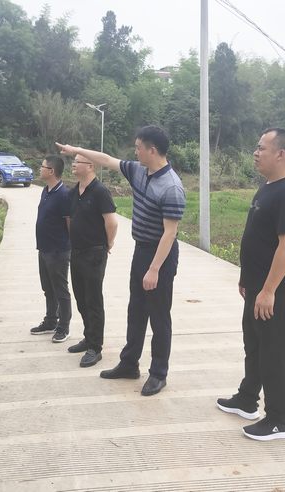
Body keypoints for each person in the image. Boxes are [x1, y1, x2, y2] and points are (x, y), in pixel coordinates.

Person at [57, 125, 185, 396]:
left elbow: (170, 233)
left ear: (152, 150)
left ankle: (158, 373)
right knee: (136, 310)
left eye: (138, 147)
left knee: (159, 316)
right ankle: (129, 363)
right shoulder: (139, 171)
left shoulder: (172, 186)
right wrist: (76, 150)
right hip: (141, 250)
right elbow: (106, 159)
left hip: (160, 256)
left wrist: (154, 269)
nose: (134, 151)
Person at [217, 128, 285, 441]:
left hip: (276, 289)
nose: (255, 153)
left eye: (261, 148)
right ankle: (247, 399)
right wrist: (248, 279)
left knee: (274, 352)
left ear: (280, 154)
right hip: (257, 285)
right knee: (254, 345)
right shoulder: (268, 186)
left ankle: (279, 419)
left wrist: (268, 291)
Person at [66, 154, 118, 368]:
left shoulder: (100, 191)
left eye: (77, 162)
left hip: (94, 253)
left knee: (93, 300)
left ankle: (95, 347)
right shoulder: (73, 192)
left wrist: (108, 244)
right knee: (81, 297)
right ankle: (88, 337)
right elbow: (69, 219)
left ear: (90, 166)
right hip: (76, 252)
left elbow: (112, 222)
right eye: (73, 161)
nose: (73, 164)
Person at [30, 155, 72, 343]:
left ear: (51, 171)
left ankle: (64, 327)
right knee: (48, 288)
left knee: (60, 290)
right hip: (44, 248)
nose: (40, 169)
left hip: (58, 251)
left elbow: (70, 223)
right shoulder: (46, 190)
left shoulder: (64, 195)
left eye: (42, 166)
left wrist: (69, 247)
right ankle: (50, 321)